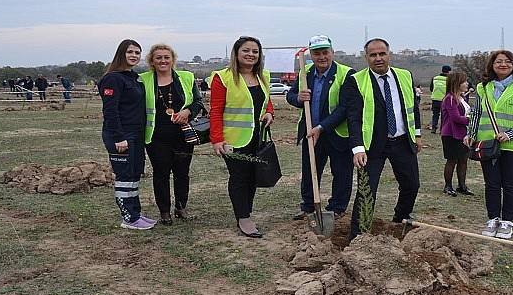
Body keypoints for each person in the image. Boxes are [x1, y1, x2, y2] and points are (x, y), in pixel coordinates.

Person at [345, 38, 422, 240]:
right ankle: (358, 235)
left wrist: (418, 134)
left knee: (411, 184)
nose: (378, 58)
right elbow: (353, 118)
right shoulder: (356, 80)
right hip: (372, 146)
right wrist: (357, 148)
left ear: (389, 54)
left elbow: (412, 106)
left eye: (382, 54)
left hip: (402, 141)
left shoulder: (405, 76)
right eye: (373, 55)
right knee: (366, 191)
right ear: (366, 58)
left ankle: (400, 219)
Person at [465, 50, 513, 239]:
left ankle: (507, 221)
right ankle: (493, 219)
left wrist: (510, 134)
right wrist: (471, 134)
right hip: (488, 144)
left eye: (507, 61)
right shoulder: (484, 87)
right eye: (498, 62)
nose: (503, 64)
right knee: (491, 183)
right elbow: (476, 113)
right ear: (492, 65)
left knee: (510, 183)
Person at [209, 36, 274, 238]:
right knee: (239, 177)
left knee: (253, 176)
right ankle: (243, 217)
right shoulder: (223, 77)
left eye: (255, 51)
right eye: (246, 50)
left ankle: (247, 211)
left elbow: (266, 100)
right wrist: (217, 139)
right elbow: (216, 110)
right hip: (233, 139)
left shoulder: (263, 75)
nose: (251, 54)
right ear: (236, 53)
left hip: (257, 137)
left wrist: (270, 112)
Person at [286, 35, 355, 220]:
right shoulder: (305, 71)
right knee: (310, 171)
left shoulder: (346, 74)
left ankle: (337, 208)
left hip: (337, 133)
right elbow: (291, 96)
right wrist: (299, 98)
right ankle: (308, 206)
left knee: (341, 172)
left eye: (325, 52)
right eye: (317, 53)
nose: (322, 57)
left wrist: (322, 127)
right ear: (311, 55)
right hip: (310, 132)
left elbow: (345, 108)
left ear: (332, 52)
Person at [141, 44, 205, 225]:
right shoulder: (142, 80)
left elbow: (198, 102)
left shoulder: (186, 77)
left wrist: (188, 112)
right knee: (161, 173)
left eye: (166, 57)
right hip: (156, 137)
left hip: (183, 136)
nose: (163, 60)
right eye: (158, 57)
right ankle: (164, 211)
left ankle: (180, 207)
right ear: (152, 61)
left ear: (172, 59)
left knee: (182, 172)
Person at [98, 39, 156, 230]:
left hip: (136, 135)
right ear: (121, 53)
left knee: (134, 174)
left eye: (137, 53)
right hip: (122, 136)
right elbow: (111, 111)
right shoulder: (112, 78)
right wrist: (118, 137)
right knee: (124, 177)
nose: (134, 56)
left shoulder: (133, 77)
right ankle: (128, 218)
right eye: (130, 52)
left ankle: (135, 213)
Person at [440, 71, 473, 197]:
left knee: (463, 160)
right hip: (451, 134)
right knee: (452, 160)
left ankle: (462, 186)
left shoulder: (461, 98)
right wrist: (472, 119)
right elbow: (456, 118)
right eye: (464, 81)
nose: (467, 83)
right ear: (457, 83)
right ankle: (448, 186)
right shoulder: (450, 99)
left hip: (463, 134)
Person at [430, 65, 451, 133]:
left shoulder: (435, 78)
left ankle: (433, 128)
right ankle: (442, 129)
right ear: (448, 72)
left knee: (435, 114)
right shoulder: (449, 80)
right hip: (444, 100)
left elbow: (431, 89)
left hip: (435, 99)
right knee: (444, 115)